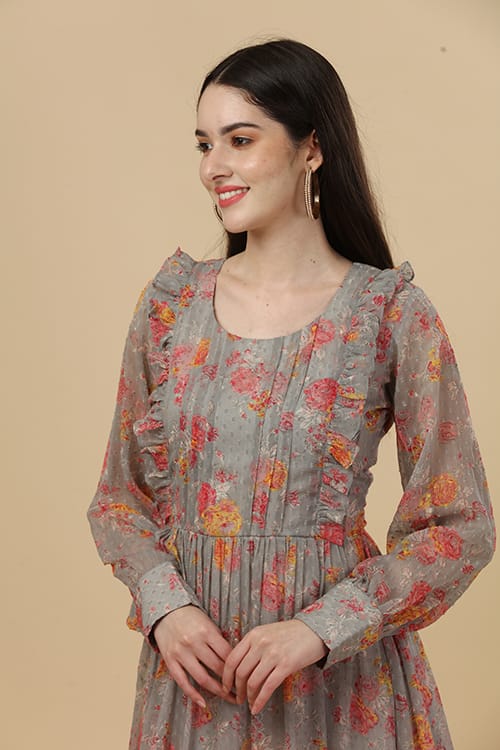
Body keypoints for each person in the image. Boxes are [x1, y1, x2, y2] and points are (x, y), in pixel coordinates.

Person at [88, 39, 495, 749]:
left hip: (338, 688)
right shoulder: (170, 308)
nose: (213, 166)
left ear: (312, 147)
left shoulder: (389, 314)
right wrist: (165, 609)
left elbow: (461, 526)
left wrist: (321, 628)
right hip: (196, 687)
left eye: (240, 140)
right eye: (205, 144)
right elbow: (119, 501)